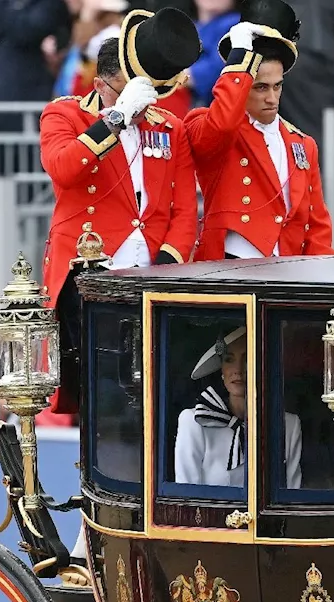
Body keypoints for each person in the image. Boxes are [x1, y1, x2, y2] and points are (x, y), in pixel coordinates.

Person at [39, 8, 200, 416]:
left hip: (152, 274)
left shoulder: (169, 126)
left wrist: (165, 267)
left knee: (161, 394)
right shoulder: (66, 114)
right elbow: (64, 167)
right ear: (101, 83)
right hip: (91, 273)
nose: (141, 102)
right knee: (106, 396)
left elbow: (182, 210)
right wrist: (116, 117)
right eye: (126, 89)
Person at [184, 0, 334, 260]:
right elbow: (222, 124)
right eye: (260, 87)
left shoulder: (302, 143)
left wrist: (321, 275)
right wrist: (240, 58)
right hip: (230, 266)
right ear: (241, 84)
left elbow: (316, 223)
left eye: (277, 86)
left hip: (289, 268)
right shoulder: (204, 123)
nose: (272, 97)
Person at [174, 326, 302, 488]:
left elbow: (291, 496)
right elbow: (186, 498)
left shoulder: (287, 425)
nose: (238, 370)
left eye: (247, 358)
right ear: (222, 369)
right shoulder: (196, 422)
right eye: (229, 359)